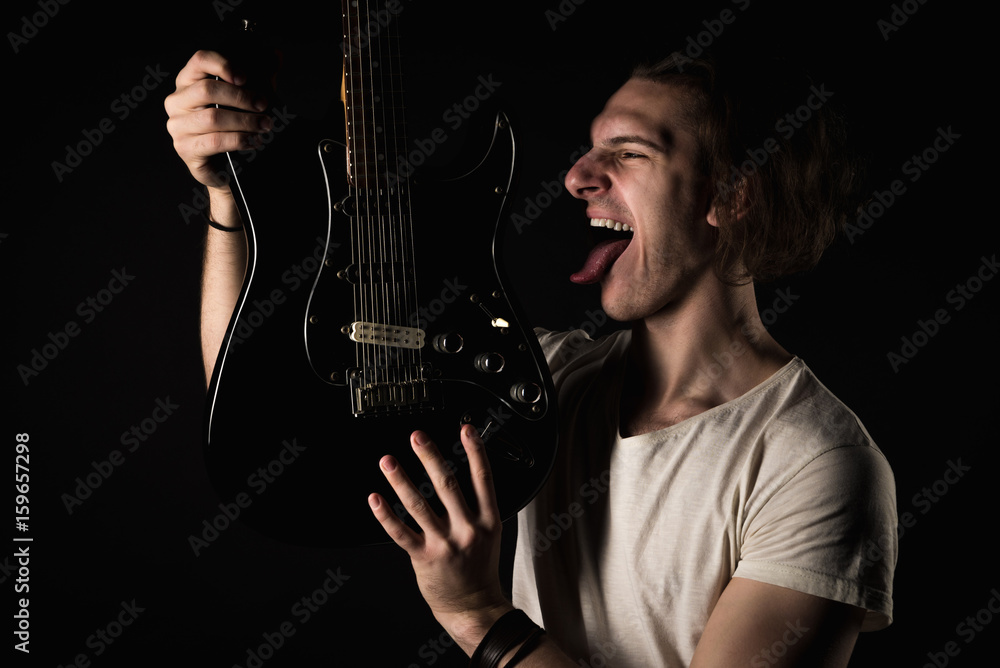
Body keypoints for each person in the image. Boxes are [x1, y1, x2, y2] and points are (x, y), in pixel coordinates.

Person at [165, 46, 897, 667]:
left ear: (732, 195)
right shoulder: (536, 385)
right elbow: (263, 405)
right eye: (589, 148)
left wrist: (479, 616)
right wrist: (233, 203)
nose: (578, 176)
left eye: (629, 153)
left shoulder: (815, 462)